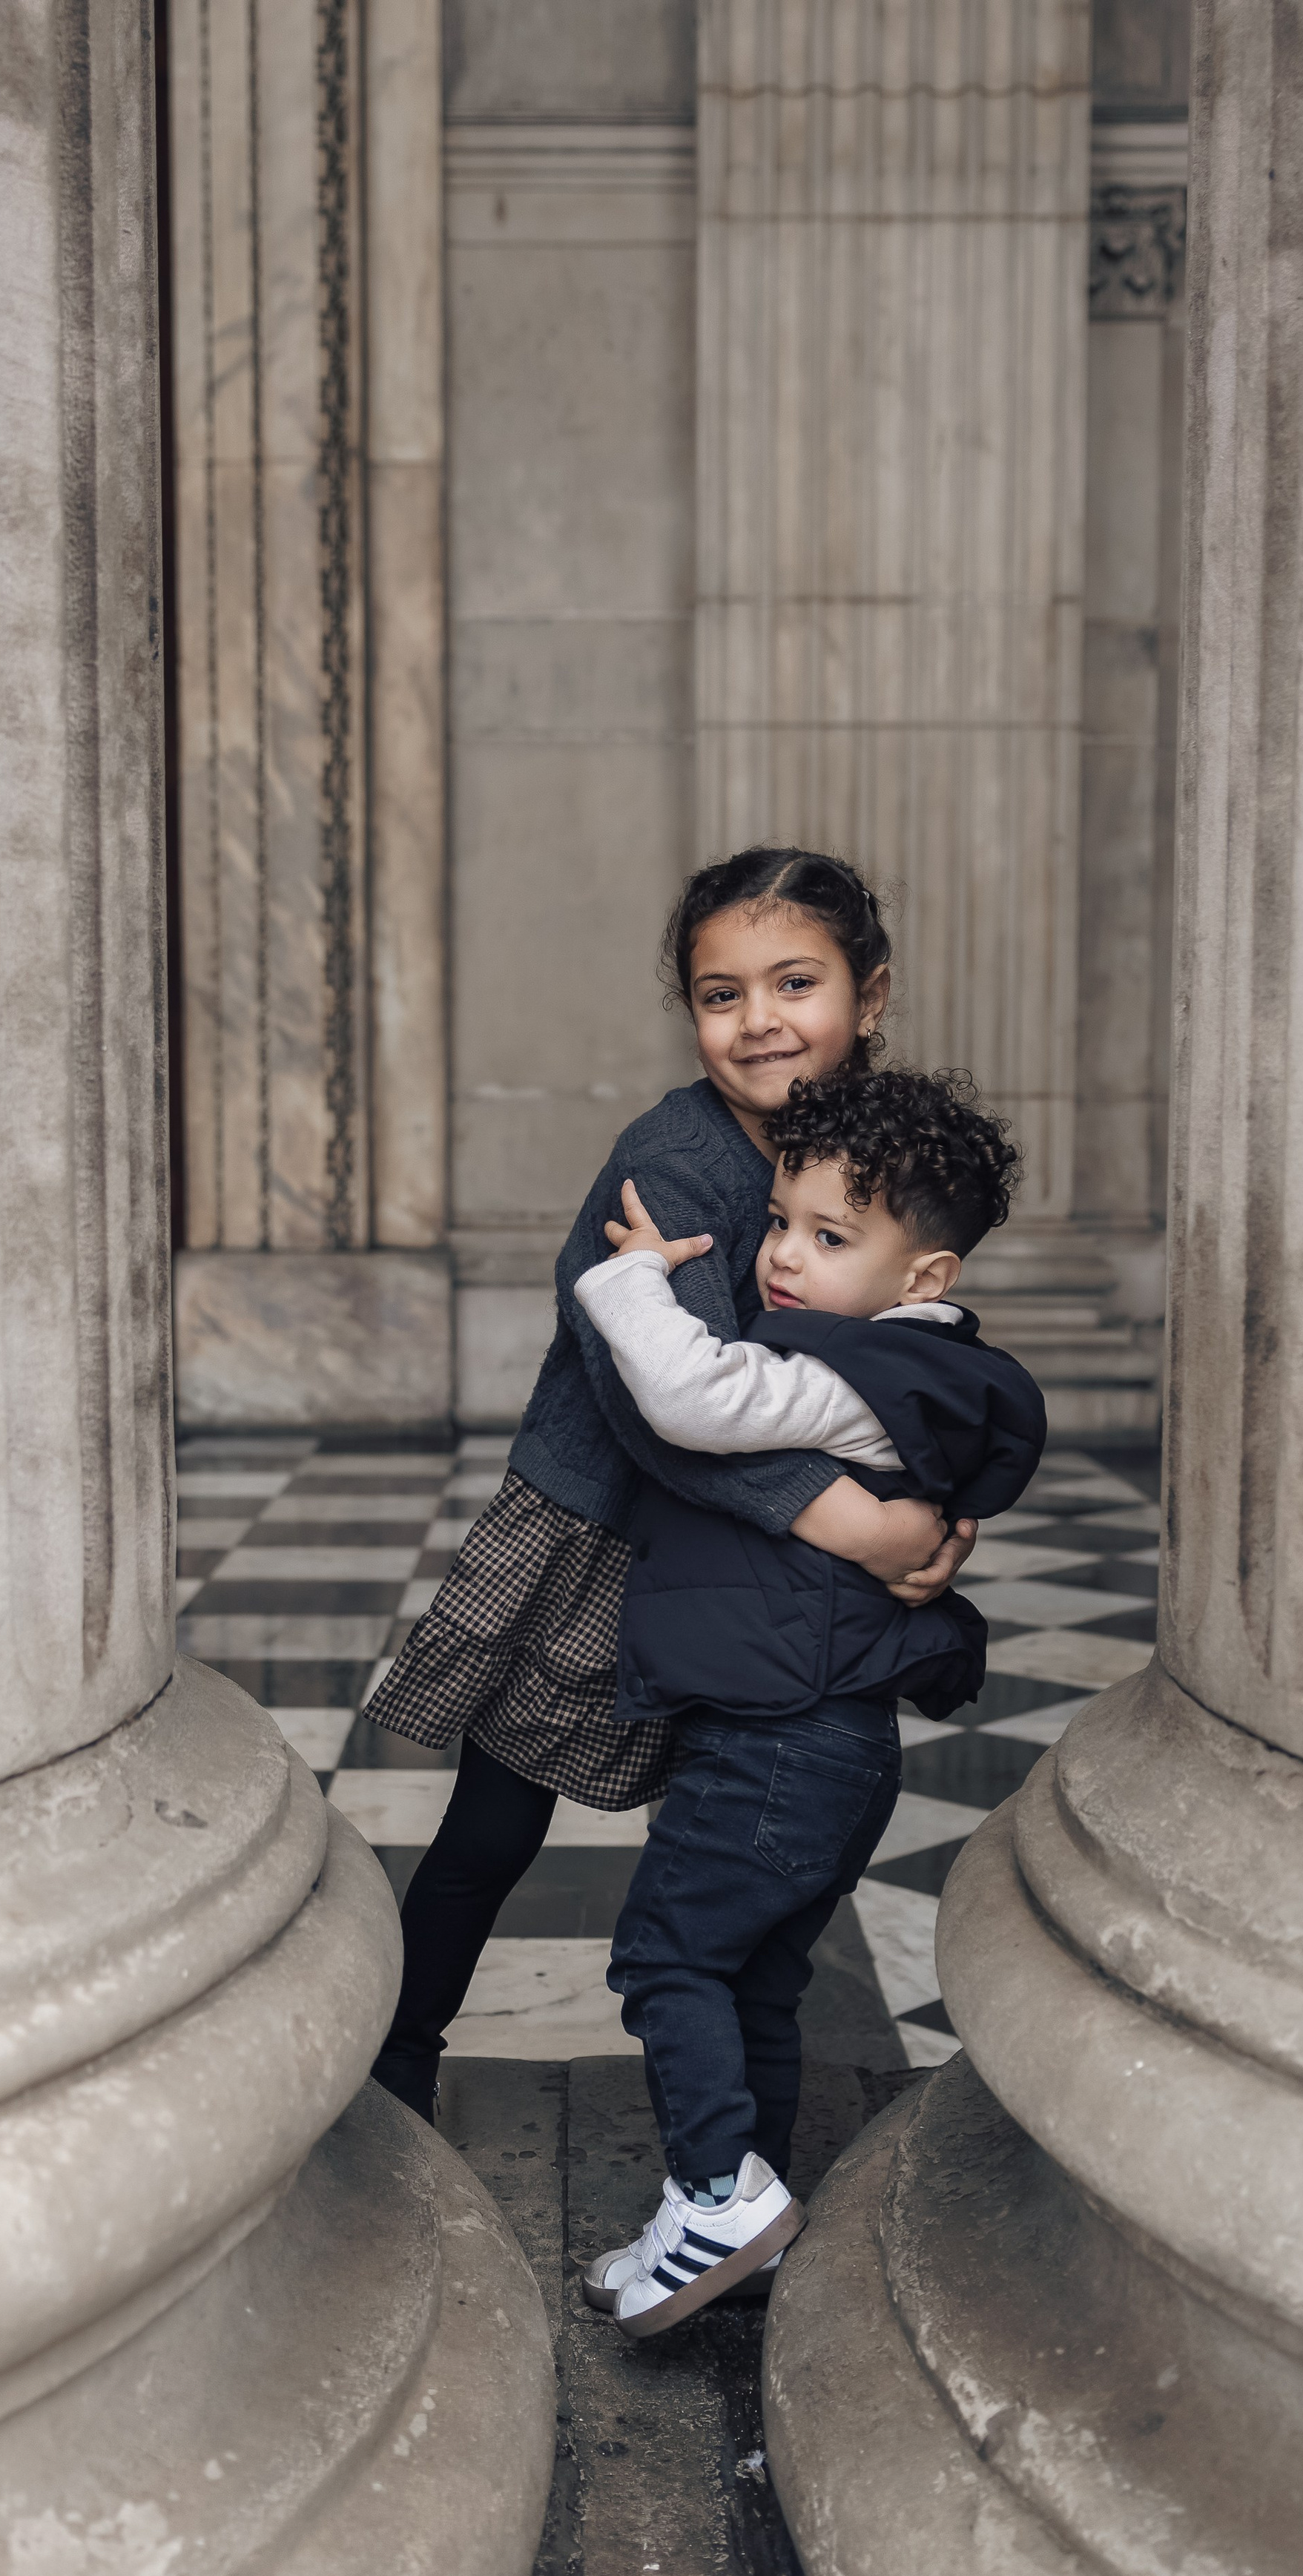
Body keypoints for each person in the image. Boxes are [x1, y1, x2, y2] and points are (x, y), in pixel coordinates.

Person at [362, 851, 977, 2122]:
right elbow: (666, 1406)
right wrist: (853, 1522)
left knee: (736, 1806)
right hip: (612, 1528)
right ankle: (396, 2060)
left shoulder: (868, 1148)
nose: (759, 1021)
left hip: (753, 1552)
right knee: (494, 1821)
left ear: (870, 997)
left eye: (795, 982)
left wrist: (943, 1502)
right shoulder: (673, 1162)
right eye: (720, 993)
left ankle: (731, 2102)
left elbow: (915, 1339)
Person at [568, 1064, 1046, 2339]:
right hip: (822, 1744)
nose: (782, 1258)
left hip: (782, 1746)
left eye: (829, 1239)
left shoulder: (864, 1371)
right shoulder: (905, 1361)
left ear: (922, 1279)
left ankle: (717, 2194)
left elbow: (695, 1396)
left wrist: (627, 1282)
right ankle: (739, 2220)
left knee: (667, 1958)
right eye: (781, 1221)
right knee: (754, 1985)